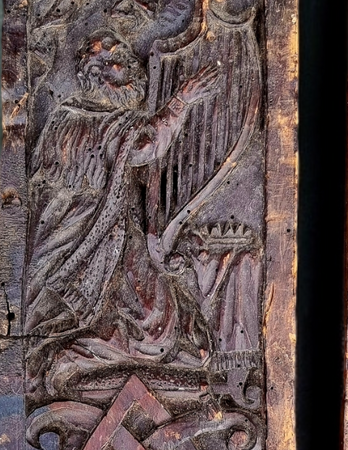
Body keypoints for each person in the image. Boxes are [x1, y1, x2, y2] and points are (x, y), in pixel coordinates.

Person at [25, 31, 219, 390]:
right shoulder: (77, 119)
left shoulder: (107, 119)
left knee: (162, 325)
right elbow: (142, 146)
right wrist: (182, 100)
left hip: (115, 234)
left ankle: (83, 358)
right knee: (155, 327)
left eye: (126, 56)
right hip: (83, 243)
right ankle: (62, 359)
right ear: (95, 74)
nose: (128, 64)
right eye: (116, 60)